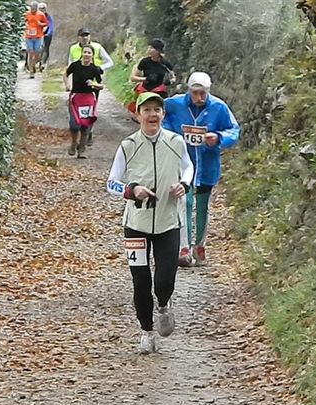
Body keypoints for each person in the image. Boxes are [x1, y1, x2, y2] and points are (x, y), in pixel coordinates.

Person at [107, 92, 194, 354]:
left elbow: (188, 167)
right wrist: (132, 191)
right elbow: (111, 182)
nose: (152, 115)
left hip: (168, 222)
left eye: (157, 110)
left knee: (164, 279)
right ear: (138, 115)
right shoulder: (128, 146)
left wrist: (184, 184)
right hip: (136, 223)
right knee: (140, 280)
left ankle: (164, 305)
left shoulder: (175, 142)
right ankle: (146, 331)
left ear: (163, 115)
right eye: (147, 110)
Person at [163, 72, 240, 267]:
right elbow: (161, 119)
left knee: (203, 206)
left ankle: (199, 245)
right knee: (184, 202)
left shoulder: (219, 107)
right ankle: (184, 247)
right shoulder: (174, 104)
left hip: (207, 164)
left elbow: (233, 129)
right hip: (182, 163)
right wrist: (172, 136)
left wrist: (219, 138)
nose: (200, 98)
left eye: (203, 93)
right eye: (196, 93)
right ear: (188, 91)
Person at [68, 28, 113, 146]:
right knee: (76, 110)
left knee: (89, 110)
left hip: (93, 83)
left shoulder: (97, 47)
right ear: (78, 37)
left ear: (90, 36)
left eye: (87, 35)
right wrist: (68, 82)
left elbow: (109, 62)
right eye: (82, 35)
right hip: (77, 85)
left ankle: (88, 132)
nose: (85, 37)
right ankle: (79, 132)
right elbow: (69, 65)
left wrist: (100, 68)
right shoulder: (73, 48)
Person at [63, 44, 103, 158]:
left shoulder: (94, 69)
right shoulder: (75, 65)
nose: (86, 54)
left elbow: (101, 85)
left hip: (88, 98)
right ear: (82, 53)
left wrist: (94, 84)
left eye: (89, 53)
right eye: (85, 52)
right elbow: (65, 74)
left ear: (92, 55)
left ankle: (82, 149)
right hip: (76, 97)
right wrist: (67, 84)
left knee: (86, 124)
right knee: (74, 124)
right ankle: (74, 142)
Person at [127, 38, 175, 119]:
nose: (149, 50)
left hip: (159, 91)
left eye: (151, 48)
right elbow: (133, 78)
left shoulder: (165, 63)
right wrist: (146, 79)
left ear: (158, 51)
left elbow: (173, 77)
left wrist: (169, 81)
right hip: (145, 90)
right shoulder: (144, 62)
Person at [24, 2, 48, 78]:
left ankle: (33, 65)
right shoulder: (27, 14)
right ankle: (31, 71)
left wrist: (41, 24)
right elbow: (23, 22)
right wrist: (25, 26)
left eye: (34, 8)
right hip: (29, 37)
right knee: (31, 53)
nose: (33, 10)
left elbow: (46, 23)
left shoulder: (41, 14)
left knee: (37, 53)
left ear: (36, 8)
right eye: (31, 8)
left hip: (38, 36)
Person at [37, 3, 54, 71]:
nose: (42, 10)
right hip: (37, 34)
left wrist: (48, 33)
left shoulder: (48, 17)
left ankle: (43, 63)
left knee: (46, 48)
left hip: (47, 34)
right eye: (40, 9)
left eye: (43, 9)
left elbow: (51, 25)